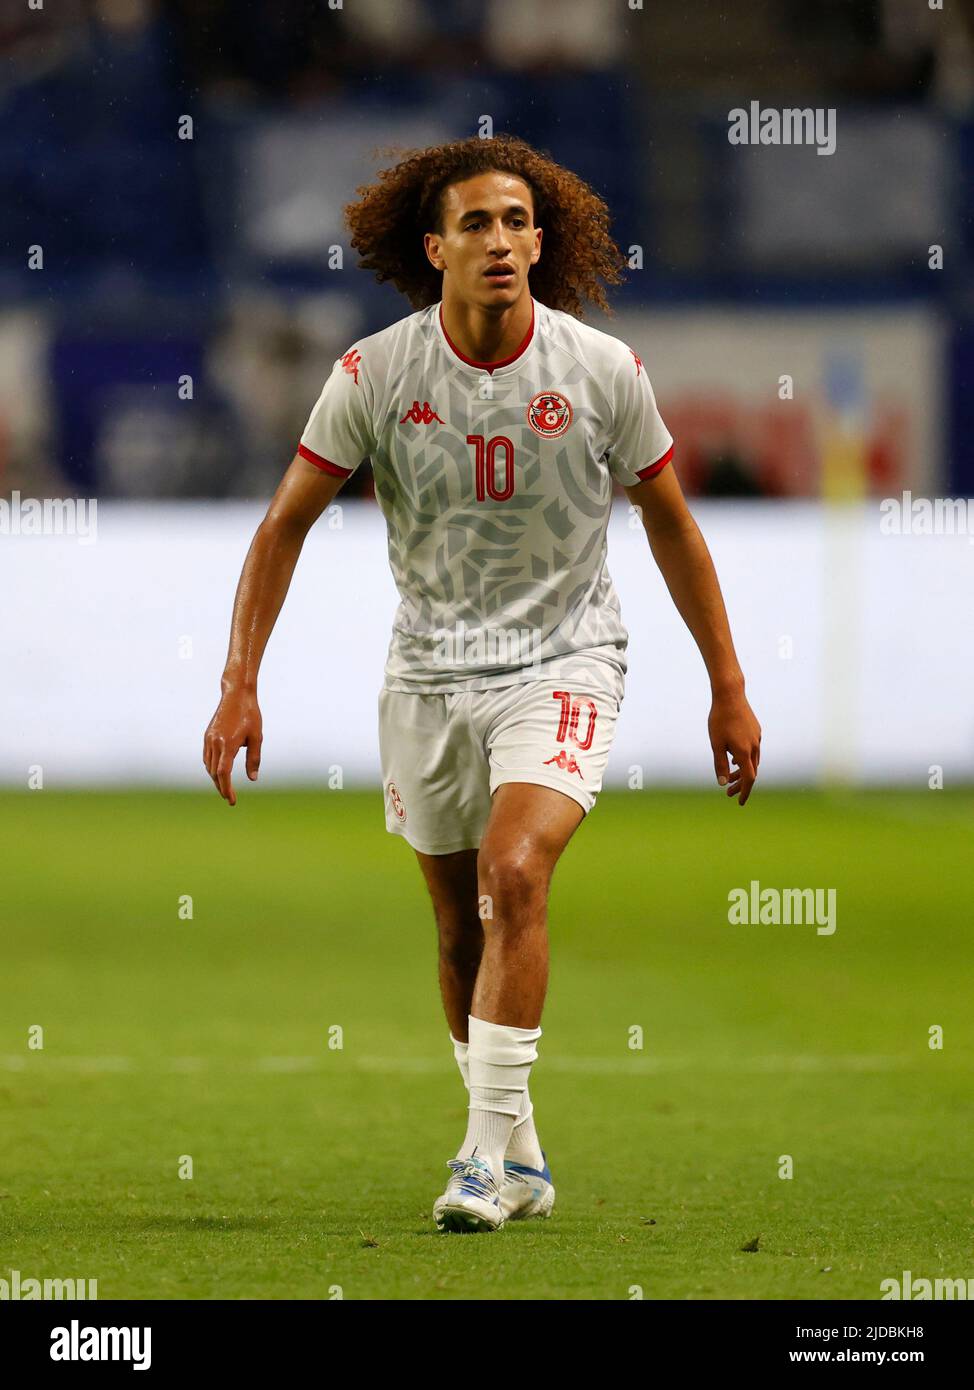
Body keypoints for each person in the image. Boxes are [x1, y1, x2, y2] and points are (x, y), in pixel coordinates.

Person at [204, 134, 762, 1233]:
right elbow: (283, 526)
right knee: (459, 929)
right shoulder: (373, 374)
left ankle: (474, 1160)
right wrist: (238, 680)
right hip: (426, 677)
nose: (499, 241)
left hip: (564, 661)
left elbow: (674, 529)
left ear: (538, 242)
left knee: (517, 869)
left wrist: (726, 685)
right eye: (475, 223)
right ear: (435, 247)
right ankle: (520, 1149)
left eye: (515, 222)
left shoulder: (601, 371)